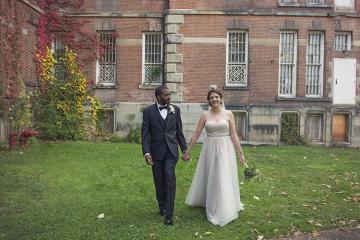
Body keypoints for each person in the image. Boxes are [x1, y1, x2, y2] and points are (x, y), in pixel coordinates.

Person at [184, 88, 246, 227]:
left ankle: (224, 205)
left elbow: (234, 134)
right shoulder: (205, 115)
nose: (214, 100)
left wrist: (240, 154)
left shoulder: (229, 114)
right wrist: (188, 150)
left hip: (225, 147)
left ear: (221, 98)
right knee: (212, 174)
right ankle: (210, 201)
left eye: (217, 97)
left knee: (222, 175)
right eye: (212, 98)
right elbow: (196, 133)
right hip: (210, 147)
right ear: (209, 100)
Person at [141, 85, 190, 225]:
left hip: (171, 152)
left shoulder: (176, 110)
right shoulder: (148, 112)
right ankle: (162, 206)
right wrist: (146, 152)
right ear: (158, 97)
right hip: (156, 152)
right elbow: (145, 135)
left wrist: (184, 149)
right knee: (159, 181)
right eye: (166, 95)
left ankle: (169, 214)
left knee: (169, 178)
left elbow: (179, 132)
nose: (169, 97)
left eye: (170, 94)